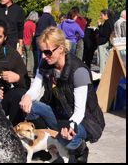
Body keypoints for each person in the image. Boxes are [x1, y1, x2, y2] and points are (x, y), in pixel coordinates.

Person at [19, 26, 105, 163]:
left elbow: (79, 111)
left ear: (60, 49)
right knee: (30, 107)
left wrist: (70, 126)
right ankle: (51, 141)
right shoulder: (44, 63)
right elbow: (35, 88)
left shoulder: (79, 71)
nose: (43, 56)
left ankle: (79, 148)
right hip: (60, 114)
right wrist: (27, 96)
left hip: (85, 120)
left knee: (67, 138)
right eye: (42, 52)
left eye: (47, 52)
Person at [33, 5, 56, 70]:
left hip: (37, 37)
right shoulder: (50, 17)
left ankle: (37, 70)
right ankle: (43, 70)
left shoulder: (40, 18)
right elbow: (54, 27)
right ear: (50, 11)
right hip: (45, 38)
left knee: (38, 54)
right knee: (45, 54)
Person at [96, 9, 115, 73]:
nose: (100, 17)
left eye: (101, 15)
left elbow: (103, 33)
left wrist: (99, 25)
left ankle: (102, 73)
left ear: (106, 15)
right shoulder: (111, 21)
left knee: (102, 58)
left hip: (103, 42)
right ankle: (108, 72)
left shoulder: (107, 22)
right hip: (108, 42)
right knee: (107, 57)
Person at [23, 11, 38, 77]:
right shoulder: (33, 24)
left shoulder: (25, 23)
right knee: (30, 57)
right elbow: (33, 34)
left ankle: (23, 70)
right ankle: (29, 71)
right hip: (29, 43)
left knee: (24, 56)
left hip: (23, 42)